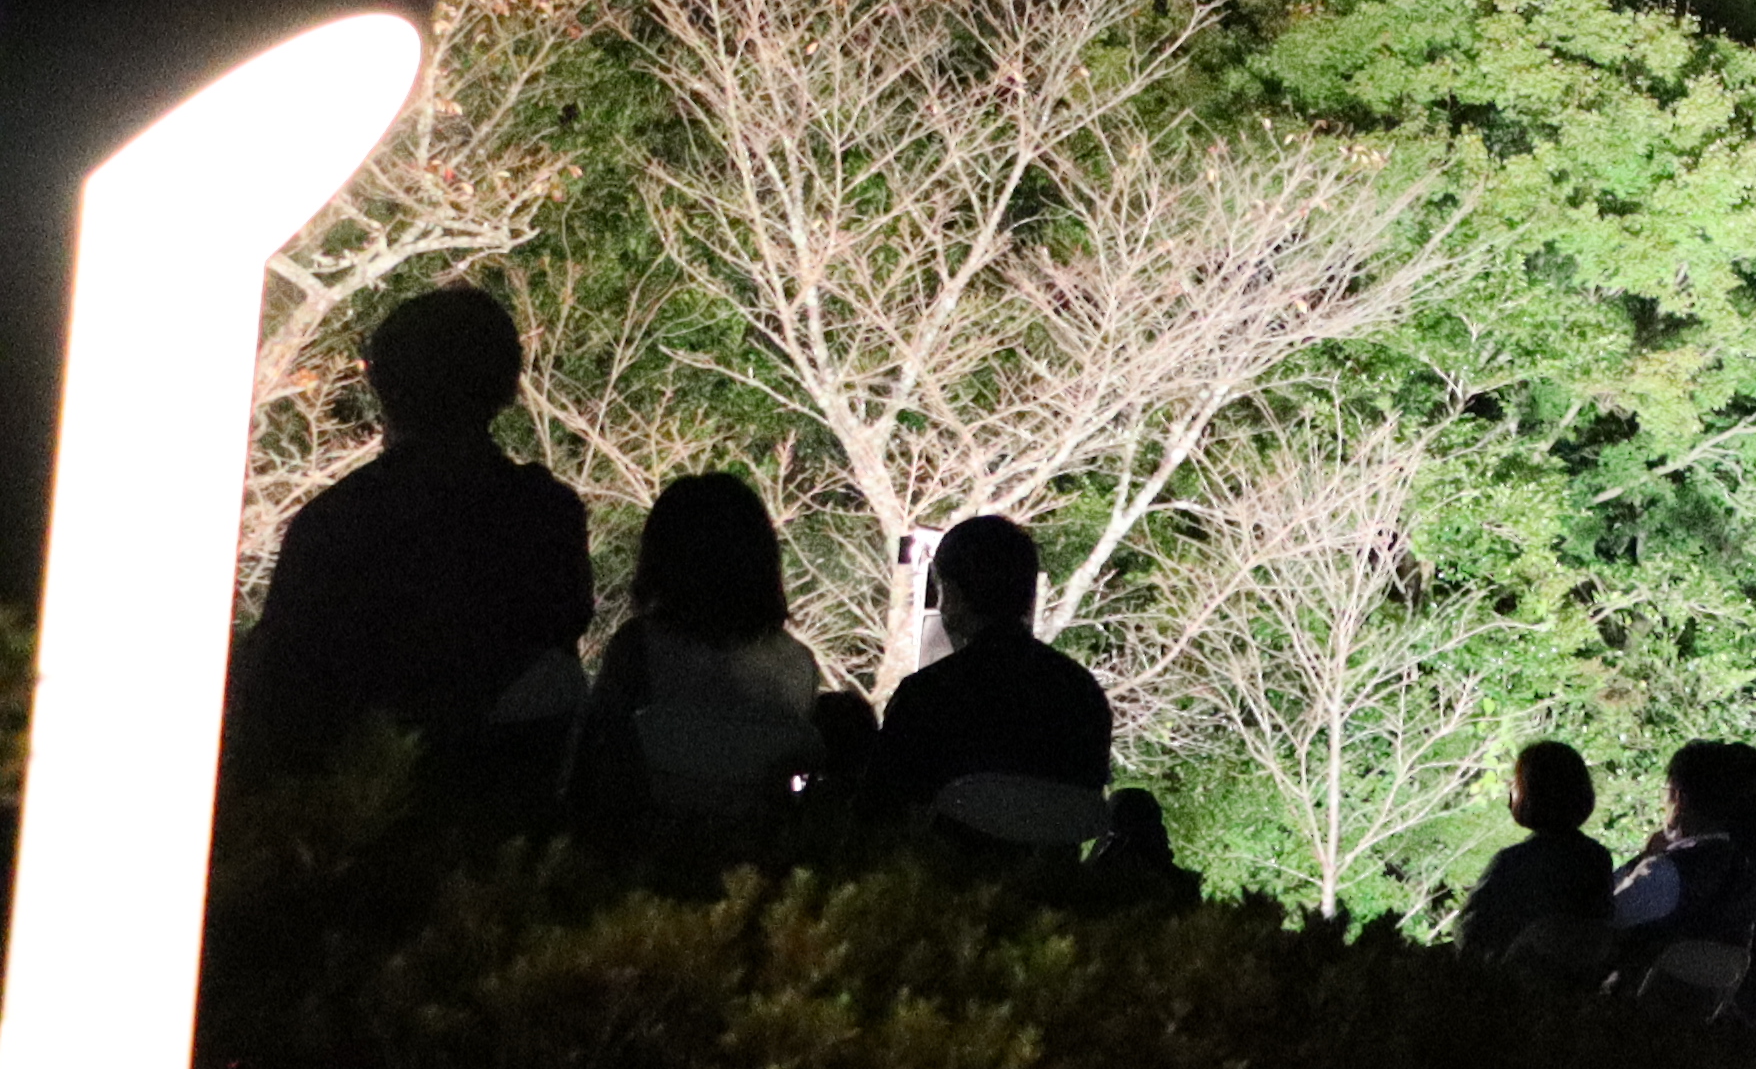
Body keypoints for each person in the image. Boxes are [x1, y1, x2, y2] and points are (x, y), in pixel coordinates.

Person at [233, 288, 595, 789]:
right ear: (510, 387)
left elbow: (281, 687)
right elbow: (558, 649)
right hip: (502, 813)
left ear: (382, 384)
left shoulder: (336, 520)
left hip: (349, 814)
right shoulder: (547, 514)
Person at [575, 473, 826, 829]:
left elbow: (595, 764)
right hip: (758, 858)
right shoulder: (796, 664)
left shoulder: (638, 649)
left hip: (647, 854)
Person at [867, 513, 1110, 851]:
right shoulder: (1082, 696)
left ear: (951, 593)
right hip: (1052, 893)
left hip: (940, 893)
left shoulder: (928, 696)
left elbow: (880, 813)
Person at [1606, 740, 1756, 1032]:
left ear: (1680, 797)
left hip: (1633, 1029)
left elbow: (1602, 916)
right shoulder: (1749, 871)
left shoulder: (1666, 872)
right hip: (1717, 1031)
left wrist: (1641, 860)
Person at [1453, 743, 1616, 983]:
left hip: (1518, 990)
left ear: (1529, 793)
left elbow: (1470, 933)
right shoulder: (1597, 858)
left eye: (1516, 783)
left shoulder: (1512, 862)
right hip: (1577, 989)